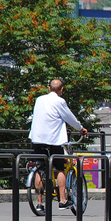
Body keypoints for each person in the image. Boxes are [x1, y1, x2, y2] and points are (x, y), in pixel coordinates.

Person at [29, 79, 88, 211]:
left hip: (37, 139)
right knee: (59, 169)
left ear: (49, 88)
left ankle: (39, 203)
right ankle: (62, 200)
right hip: (53, 141)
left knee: (40, 168)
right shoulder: (60, 101)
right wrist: (81, 128)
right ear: (61, 90)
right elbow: (70, 117)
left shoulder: (39, 100)